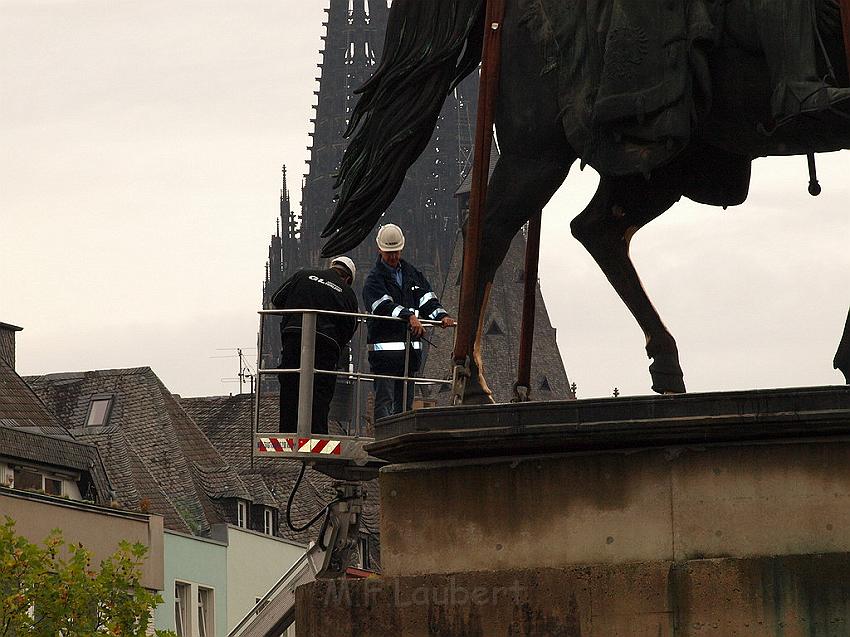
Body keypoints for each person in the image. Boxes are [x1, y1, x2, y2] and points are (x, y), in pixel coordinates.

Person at [362, 224, 455, 420]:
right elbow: (383, 306)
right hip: (385, 357)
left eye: (395, 252)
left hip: (409, 355)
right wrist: (410, 316)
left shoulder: (412, 273)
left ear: (401, 249)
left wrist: (441, 316)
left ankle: (399, 438)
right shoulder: (373, 279)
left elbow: (426, 299)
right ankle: (383, 437)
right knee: (384, 402)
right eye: (389, 253)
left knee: (405, 404)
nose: (393, 257)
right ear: (379, 250)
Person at [271, 256, 358, 435]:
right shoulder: (347, 293)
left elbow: (276, 300)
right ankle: (317, 434)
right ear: (348, 279)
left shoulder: (303, 275)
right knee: (320, 391)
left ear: (331, 267)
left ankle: (287, 432)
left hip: (294, 337)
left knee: (290, 382)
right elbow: (350, 328)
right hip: (326, 345)